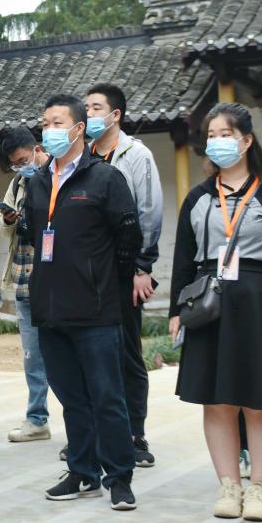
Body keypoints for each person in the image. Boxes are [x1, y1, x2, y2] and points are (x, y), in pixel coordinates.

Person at [168, 102, 262, 522]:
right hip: (208, 304)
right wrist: (177, 310)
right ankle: (229, 485)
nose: (217, 142)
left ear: (246, 142)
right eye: (211, 136)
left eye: (225, 134)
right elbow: (184, 258)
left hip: (259, 302)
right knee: (217, 402)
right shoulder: (197, 199)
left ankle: (260, 488)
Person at [22, 94, 140, 512]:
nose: (48, 130)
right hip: (51, 307)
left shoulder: (104, 178)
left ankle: (119, 477)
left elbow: (129, 238)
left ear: (77, 129)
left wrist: (104, 282)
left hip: (96, 309)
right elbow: (34, 236)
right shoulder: (37, 182)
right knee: (71, 397)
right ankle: (82, 470)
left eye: (57, 123)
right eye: (45, 123)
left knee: (108, 396)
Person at [84, 83, 162, 467]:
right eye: (86, 107)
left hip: (124, 270)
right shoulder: (81, 155)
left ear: (115, 115)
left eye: (96, 107)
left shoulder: (136, 154)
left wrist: (142, 267)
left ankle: (135, 434)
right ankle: (93, 434)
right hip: (86, 274)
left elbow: (149, 212)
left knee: (127, 353)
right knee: (89, 355)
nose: (89, 114)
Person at [0, 127, 52, 443]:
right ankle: (36, 419)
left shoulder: (58, 175)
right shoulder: (17, 183)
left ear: (36, 149)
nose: (20, 167)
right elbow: (3, 231)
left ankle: (81, 421)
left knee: (64, 355)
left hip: (55, 280)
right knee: (32, 356)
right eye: (14, 164)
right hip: (23, 277)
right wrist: (8, 219)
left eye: (22, 160)